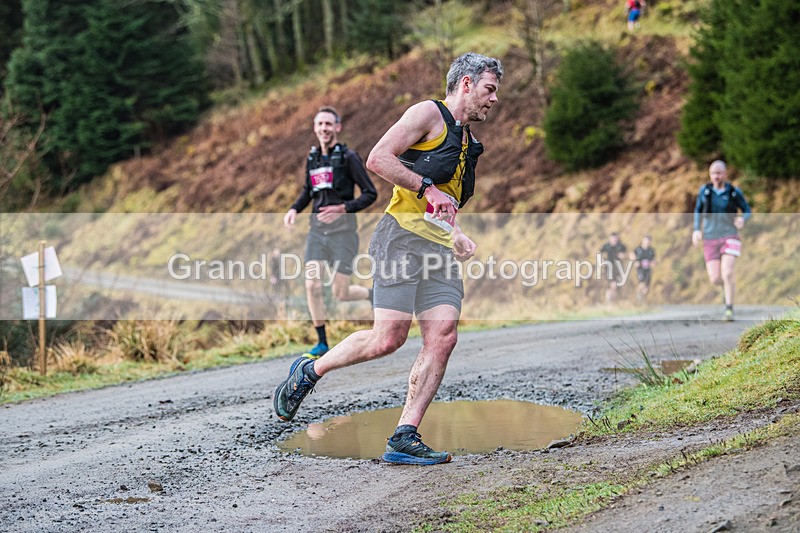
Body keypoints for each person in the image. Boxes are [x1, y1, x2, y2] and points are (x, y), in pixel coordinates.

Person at [274, 52, 504, 465]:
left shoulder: (468, 142)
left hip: (438, 248)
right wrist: (426, 187)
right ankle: (310, 371)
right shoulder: (428, 114)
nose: (494, 99)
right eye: (489, 89)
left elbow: (444, 204)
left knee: (444, 335)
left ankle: (404, 435)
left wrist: (456, 234)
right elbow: (378, 158)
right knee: (388, 339)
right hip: (400, 239)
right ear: (466, 83)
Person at [283, 106, 378, 357]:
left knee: (341, 293)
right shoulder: (313, 158)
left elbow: (370, 193)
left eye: (328, 124)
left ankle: (372, 295)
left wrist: (343, 208)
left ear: (337, 127)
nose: (324, 128)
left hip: (343, 233)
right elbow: (308, 191)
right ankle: (322, 342)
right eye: (320, 124)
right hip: (317, 232)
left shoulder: (349, 157)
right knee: (312, 285)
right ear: (315, 128)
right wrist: (294, 209)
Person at [692, 160, 751, 321]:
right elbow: (697, 210)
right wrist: (696, 229)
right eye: (713, 173)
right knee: (715, 278)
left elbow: (747, 209)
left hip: (730, 235)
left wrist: (743, 219)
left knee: (728, 273)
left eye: (719, 173)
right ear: (709, 175)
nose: (716, 176)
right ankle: (726, 292)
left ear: (725, 174)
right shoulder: (704, 191)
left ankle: (729, 309)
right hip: (710, 237)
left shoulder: (733, 192)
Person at [600, 232, 628, 303]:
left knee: (617, 286)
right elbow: (599, 253)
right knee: (614, 285)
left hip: (618, 268)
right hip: (609, 267)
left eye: (616, 239)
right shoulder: (606, 246)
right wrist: (602, 260)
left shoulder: (621, 246)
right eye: (613, 239)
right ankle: (609, 300)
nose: (614, 240)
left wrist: (623, 256)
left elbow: (627, 255)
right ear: (610, 239)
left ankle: (611, 299)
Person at [631, 235, 656, 304]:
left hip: (648, 270)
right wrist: (635, 261)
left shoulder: (651, 250)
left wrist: (653, 263)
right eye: (646, 240)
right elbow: (631, 255)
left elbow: (654, 260)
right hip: (640, 269)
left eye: (649, 241)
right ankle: (636, 298)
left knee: (646, 289)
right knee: (641, 284)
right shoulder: (638, 249)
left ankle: (642, 300)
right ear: (643, 241)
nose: (648, 242)